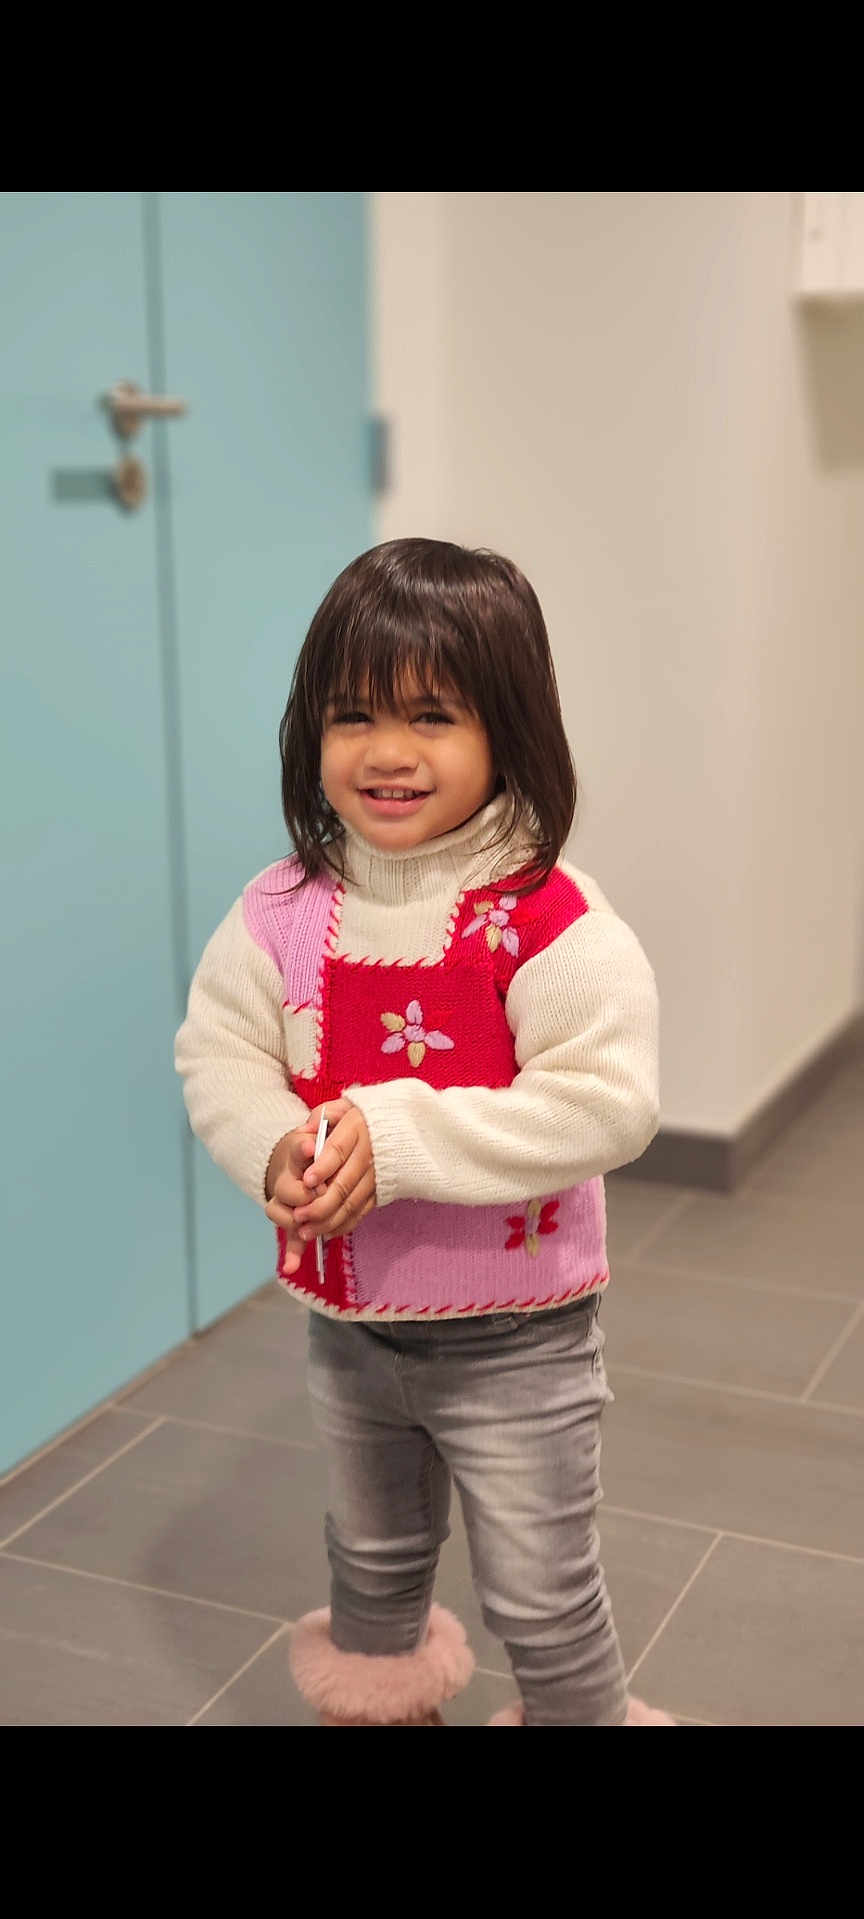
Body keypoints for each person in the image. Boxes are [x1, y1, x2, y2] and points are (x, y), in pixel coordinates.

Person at [175, 537, 674, 1727]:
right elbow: (221, 1050)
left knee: (542, 1594)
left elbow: (608, 1099)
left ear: (509, 728)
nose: (387, 751)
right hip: (350, 1328)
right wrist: (274, 1145)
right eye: (352, 714)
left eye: (434, 715)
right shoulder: (283, 912)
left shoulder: (545, 919)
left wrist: (394, 1138)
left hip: (522, 1338)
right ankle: (383, 1702)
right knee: (372, 1563)